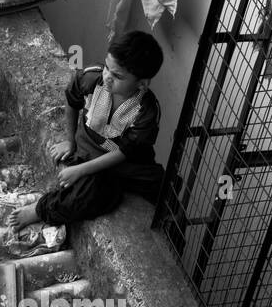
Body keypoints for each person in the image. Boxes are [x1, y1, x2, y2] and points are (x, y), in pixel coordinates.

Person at [11, 31, 166, 227]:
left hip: (130, 165)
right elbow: (72, 99)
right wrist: (70, 140)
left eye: (117, 76)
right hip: (90, 154)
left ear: (141, 83)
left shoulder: (147, 111)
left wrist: (80, 171)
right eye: (107, 67)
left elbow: (125, 153)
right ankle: (39, 210)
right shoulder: (92, 78)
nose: (108, 77)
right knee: (86, 194)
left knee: (167, 190)